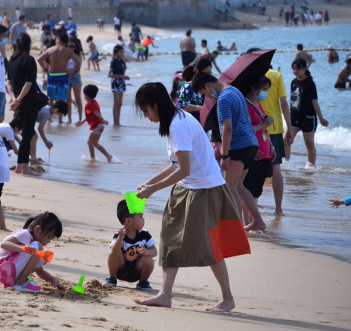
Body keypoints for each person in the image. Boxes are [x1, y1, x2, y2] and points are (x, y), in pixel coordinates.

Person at [133, 82, 250, 312]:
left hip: (204, 190)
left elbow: (184, 170)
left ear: (155, 105)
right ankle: (165, 294)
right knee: (169, 237)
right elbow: (176, 164)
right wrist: (150, 181)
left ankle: (228, 298)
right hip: (187, 187)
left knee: (209, 246)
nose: (146, 116)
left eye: (145, 110)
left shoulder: (178, 125)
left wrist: (152, 190)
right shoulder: (173, 121)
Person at [192, 72, 266, 232]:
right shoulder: (235, 91)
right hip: (250, 144)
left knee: (230, 187)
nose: (208, 97)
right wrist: (252, 146)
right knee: (239, 185)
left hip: (238, 146)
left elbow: (227, 128)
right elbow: (244, 121)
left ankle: (236, 228)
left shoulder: (224, 99)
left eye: (204, 94)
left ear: (207, 85)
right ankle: (258, 221)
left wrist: (224, 155)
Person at [0, 212, 65, 293]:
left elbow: (40, 272)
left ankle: (18, 282)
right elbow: (4, 244)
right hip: (3, 267)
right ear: (37, 229)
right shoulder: (25, 233)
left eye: (51, 239)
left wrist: (53, 280)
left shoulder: (33, 245)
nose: (49, 241)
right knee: (38, 247)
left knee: (41, 257)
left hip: (8, 273)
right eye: (49, 237)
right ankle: (20, 282)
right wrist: (22, 248)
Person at [260, 59, 294, 216]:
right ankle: (278, 209)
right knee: (276, 168)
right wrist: (290, 127)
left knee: (253, 166)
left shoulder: (250, 76)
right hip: (274, 127)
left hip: (256, 126)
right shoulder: (276, 75)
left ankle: (254, 202)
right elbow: (284, 104)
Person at [8, 33, 43, 176]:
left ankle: (18, 166)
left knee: (25, 135)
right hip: (28, 102)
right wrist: (19, 99)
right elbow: (29, 84)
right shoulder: (29, 60)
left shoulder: (11, 60)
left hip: (18, 101)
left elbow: (8, 82)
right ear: (28, 45)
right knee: (27, 134)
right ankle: (24, 168)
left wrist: (14, 98)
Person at [242, 75, 276, 220]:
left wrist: (272, 146)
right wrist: (264, 124)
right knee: (248, 188)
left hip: (264, 151)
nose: (265, 92)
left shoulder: (257, 102)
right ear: (253, 88)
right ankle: (248, 222)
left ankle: (253, 221)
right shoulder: (246, 104)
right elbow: (246, 129)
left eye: (267, 89)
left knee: (257, 190)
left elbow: (264, 129)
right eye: (264, 89)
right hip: (253, 151)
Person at [103, 199, 157, 289]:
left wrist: (146, 252)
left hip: (137, 270)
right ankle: (112, 278)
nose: (143, 219)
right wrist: (120, 238)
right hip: (120, 269)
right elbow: (114, 250)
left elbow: (154, 252)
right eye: (140, 216)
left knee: (149, 259)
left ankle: (143, 282)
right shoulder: (120, 234)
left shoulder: (144, 234)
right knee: (113, 253)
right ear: (128, 221)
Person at [288, 59, 328, 168]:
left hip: (308, 117)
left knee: (309, 144)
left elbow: (315, 102)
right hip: (294, 117)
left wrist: (321, 119)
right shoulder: (293, 82)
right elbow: (292, 101)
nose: (295, 71)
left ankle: (310, 166)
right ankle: (285, 164)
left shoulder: (310, 83)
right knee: (286, 141)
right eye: (294, 69)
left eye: (298, 69)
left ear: (305, 69)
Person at [10, 100, 68, 165]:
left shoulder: (47, 109)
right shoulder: (46, 113)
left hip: (22, 116)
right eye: (60, 114)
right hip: (22, 118)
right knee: (34, 137)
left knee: (33, 136)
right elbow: (40, 129)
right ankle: (33, 158)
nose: (59, 116)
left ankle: (33, 157)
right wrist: (46, 142)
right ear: (56, 110)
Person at [36, 31, 80, 105]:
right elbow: (78, 62)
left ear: (59, 40)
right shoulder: (68, 51)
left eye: (56, 39)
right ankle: (59, 116)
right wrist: (72, 71)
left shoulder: (51, 49)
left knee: (51, 99)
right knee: (61, 100)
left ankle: (50, 116)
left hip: (52, 75)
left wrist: (46, 69)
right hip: (63, 75)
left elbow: (39, 59)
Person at [75, 84, 113, 162]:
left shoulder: (89, 104)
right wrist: (82, 122)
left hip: (97, 125)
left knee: (89, 142)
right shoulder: (94, 102)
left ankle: (93, 158)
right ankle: (108, 156)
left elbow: (96, 113)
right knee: (95, 143)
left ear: (86, 96)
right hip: (99, 125)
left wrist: (103, 119)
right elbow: (90, 115)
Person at [109, 45, 130, 127]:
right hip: (115, 82)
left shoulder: (122, 61)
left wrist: (124, 77)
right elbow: (109, 74)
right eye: (120, 52)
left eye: (122, 52)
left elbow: (123, 70)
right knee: (116, 103)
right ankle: (115, 122)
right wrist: (121, 76)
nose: (121, 54)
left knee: (120, 103)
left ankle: (118, 121)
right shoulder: (113, 61)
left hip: (122, 82)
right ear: (116, 53)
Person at [66, 37, 83, 123]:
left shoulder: (78, 54)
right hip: (66, 76)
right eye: (69, 45)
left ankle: (80, 118)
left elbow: (78, 65)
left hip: (75, 76)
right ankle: (69, 119)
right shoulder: (65, 54)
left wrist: (72, 53)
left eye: (72, 45)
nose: (70, 47)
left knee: (78, 99)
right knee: (68, 99)